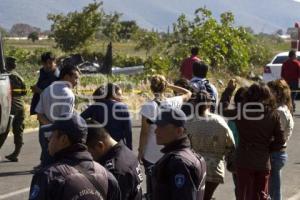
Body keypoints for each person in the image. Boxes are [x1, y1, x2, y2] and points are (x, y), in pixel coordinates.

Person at [29, 113, 121, 200]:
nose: (48, 139)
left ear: (63, 139)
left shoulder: (48, 176)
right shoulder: (107, 176)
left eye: (52, 135)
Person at [219, 82, 286, 200]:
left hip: (243, 159)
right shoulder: (273, 114)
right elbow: (281, 141)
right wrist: (267, 148)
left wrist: (229, 90)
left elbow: (222, 110)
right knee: (261, 195)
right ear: (267, 95)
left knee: (243, 194)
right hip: (262, 161)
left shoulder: (241, 112)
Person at [138, 75, 192, 199]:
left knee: (152, 187)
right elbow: (188, 93)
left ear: (151, 88)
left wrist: (140, 151)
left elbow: (144, 133)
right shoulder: (173, 102)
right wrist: (170, 86)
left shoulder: (148, 107)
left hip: (151, 154)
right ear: (164, 87)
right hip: (169, 152)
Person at [185, 91, 235, 200]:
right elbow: (231, 145)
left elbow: (183, 145)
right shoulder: (219, 121)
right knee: (207, 196)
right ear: (210, 104)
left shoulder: (188, 122)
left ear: (194, 104)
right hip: (214, 169)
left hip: (194, 167)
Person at [151, 107, 206, 200]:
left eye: (162, 127)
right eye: (157, 126)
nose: (156, 131)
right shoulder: (190, 156)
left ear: (179, 131)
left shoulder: (179, 163)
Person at [35, 64, 80, 167]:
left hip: (46, 136)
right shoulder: (68, 94)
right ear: (66, 77)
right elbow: (66, 120)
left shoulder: (47, 90)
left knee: (46, 169)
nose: (77, 82)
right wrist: (57, 131)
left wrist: (51, 128)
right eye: (75, 78)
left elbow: (39, 114)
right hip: (61, 139)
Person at [86, 120, 143, 200]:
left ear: (100, 146)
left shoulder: (116, 171)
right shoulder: (125, 151)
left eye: (88, 152)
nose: (87, 157)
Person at [81, 83, 132, 149]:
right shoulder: (123, 107)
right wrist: (129, 148)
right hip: (117, 145)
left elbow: (80, 119)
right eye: (119, 95)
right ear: (113, 94)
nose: (121, 97)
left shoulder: (95, 107)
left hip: (100, 146)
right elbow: (128, 131)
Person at [268, 79, 294, 200]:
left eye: (270, 92)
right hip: (277, 152)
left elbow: (275, 135)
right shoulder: (282, 109)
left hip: (275, 153)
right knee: (273, 189)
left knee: (273, 191)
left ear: (277, 93)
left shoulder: (280, 111)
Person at [0, 57, 26, 162]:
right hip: (20, 105)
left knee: (4, 129)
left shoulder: (4, 77)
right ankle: (16, 152)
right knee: (18, 130)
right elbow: (24, 92)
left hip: (9, 104)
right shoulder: (18, 77)